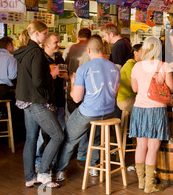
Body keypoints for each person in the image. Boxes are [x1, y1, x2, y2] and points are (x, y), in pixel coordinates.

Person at [54, 35, 120, 182]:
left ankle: (60, 170)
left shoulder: (83, 68)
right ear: (102, 49)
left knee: (69, 138)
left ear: (88, 50)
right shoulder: (114, 68)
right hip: (108, 112)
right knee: (95, 137)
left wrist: (72, 82)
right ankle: (94, 167)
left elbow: (76, 98)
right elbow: (114, 93)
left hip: (89, 112)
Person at [13, 20, 64, 189]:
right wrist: (52, 74)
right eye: (44, 33)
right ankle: (43, 173)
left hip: (24, 99)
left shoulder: (23, 51)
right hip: (36, 100)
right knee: (58, 136)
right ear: (36, 34)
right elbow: (38, 81)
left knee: (31, 138)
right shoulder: (36, 52)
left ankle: (29, 177)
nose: (46, 36)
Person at [130, 37, 173, 193]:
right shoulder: (163, 66)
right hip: (156, 109)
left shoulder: (136, 66)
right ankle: (150, 185)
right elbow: (171, 88)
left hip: (139, 109)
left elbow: (135, 89)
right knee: (153, 148)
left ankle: (141, 182)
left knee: (141, 146)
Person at [35, 32, 67, 170]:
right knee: (42, 133)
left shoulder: (59, 57)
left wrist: (66, 77)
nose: (58, 45)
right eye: (56, 42)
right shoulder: (41, 58)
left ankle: (54, 161)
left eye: (58, 42)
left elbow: (63, 75)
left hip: (59, 99)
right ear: (46, 44)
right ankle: (38, 162)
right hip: (46, 101)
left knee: (60, 131)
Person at [63, 28, 92, 161]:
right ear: (89, 38)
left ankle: (70, 150)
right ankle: (82, 152)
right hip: (87, 90)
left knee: (71, 120)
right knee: (84, 121)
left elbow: (62, 66)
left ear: (78, 36)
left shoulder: (69, 49)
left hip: (72, 87)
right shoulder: (91, 51)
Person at [117, 43, 142, 113]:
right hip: (126, 99)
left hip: (131, 97)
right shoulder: (130, 64)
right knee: (147, 105)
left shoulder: (136, 65)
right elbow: (134, 84)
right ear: (135, 53)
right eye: (143, 52)